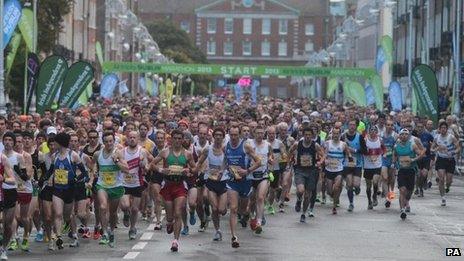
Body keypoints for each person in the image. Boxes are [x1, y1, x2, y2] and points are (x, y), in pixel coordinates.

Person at [150, 129, 196, 252]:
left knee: (178, 213)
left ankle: (175, 241)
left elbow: (194, 168)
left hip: (180, 185)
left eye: (179, 138)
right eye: (174, 138)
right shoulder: (165, 152)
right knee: (170, 217)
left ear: (182, 140)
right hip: (167, 185)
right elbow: (152, 164)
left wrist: (188, 171)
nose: (177, 141)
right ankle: (169, 223)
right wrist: (161, 170)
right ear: (171, 139)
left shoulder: (187, 154)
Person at [49, 132, 88, 249]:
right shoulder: (54, 156)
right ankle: (58, 237)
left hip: (70, 190)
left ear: (60, 143)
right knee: (58, 213)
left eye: (55, 142)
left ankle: (72, 232)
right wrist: (42, 181)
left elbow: (84, 173)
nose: (53, 144)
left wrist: (76, 179)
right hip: (57, 189)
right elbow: (49, 172)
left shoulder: (73, 155)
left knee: (67, 216)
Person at [224, 126, 260, 248]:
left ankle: (246, 215)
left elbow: (258, 161)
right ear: (229, 134)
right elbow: (225, 162)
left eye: (235, 135)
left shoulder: (246, 146)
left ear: (239, 135)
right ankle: (234, 237)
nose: (233, 137)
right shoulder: (226, 146)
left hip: (245, 181)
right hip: (232, 181)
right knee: (233, 208)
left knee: (243, 209)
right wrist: (222, 171)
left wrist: (247, 171)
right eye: (231, 135)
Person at [93, 131, 128, 248]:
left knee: (113, 213)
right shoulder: (98, 154)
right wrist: (93, 171)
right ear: (103, 142)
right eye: (106, 141)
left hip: (116, 187)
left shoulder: (118, 153)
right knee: (102, 207)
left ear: (114, 141)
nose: (109, 144)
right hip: (102, 185)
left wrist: (116, 161)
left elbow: (126, 169)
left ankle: (111, 231)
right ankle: (104, 233)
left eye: (111, 141)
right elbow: (92, 164)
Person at [196, 128, 227, 241]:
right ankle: (217, 231)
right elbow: (199, 162)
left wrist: (223, 171)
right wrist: (193, 170)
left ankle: (223, 210)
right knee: (214, 208)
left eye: (220, 135)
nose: (218, 137)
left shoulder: (226, 149)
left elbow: (230, 162)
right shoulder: (208, 149)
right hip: (210, 182)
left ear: (223, 137)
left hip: (223, 182)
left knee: (222, 210)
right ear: (213, 136)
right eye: (216, 135)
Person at [288, 127, 324, 222]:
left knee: (308, 195)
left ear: (312, 136)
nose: (307, 137)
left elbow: (323, 155)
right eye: (306, 135)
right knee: (300, 190)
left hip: (311, 171)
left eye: (309, 135)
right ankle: (299, 199)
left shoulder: (315, 145)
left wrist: (320, 162)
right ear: (303, 135)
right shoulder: (297, 144)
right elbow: (290, 151)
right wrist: (290, 161)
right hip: (300, 170)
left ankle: (303, 213)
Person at [120, 131, 151, 240]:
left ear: (138, 139)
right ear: (127, 139)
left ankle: (132, 228)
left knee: (134, 209)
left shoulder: (142, 151)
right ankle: (125, 213)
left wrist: (144, 164)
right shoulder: (122, 151)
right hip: (124, 183)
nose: (132, 139)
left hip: (137, 182)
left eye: (134, 137)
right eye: (130, 137)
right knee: (125, 205)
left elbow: (148, 165)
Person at [392, 129, 424, 220]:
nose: (404, 136)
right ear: (400, 136)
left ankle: (406, 201)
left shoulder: (412, 145)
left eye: (406, 134)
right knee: (402, 190)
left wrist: (414, 159)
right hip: (401, 170)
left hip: (411, 170)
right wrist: (393, 163)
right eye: (402, 134)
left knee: (409, 191)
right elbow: (394, 155)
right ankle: (402, 210)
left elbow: (421, 154)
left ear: (408, 136)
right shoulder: (396, 146)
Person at [247, 125, 272, 233]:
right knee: (252, 199)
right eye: (258, 133)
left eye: (262, 133)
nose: (260, 135)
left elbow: (271, 155)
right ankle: (252, 215)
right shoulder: (249, 144)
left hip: (263, 175)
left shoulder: (267, 144)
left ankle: (259, 221)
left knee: (261, 197)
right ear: (254, 133)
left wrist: (270, 159)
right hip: (250, 175)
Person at [431, 122, 461, 206]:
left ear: (447, 129)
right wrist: (437, 148)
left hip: (450, 160)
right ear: (439, 129)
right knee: (441, 179)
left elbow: (458, 147)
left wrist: (454, 152)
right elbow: (431, 149)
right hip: (441, 159)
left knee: (449, 180)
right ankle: (443, 198)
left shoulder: (451, 137)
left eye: (445, 128)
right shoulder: (437, 137)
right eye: (441, 128)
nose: (443, 129)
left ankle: (447, 187)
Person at [323, 128, 350, 215]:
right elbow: (324, 154)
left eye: (337, 134)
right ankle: (334, 197)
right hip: (329, 169)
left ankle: (334, 206)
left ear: (340, 134)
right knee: (330, 191)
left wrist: (349, 159)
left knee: (337, 187)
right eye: (334, 133)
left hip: (339, 169)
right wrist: (325, 160)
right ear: (331, 134)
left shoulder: (343, 144)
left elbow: (348, 154)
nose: (335, 135)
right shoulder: (327, 143)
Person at [341, 120, 365, 211]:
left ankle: (358, 188)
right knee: (349, 184)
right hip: (346, 163)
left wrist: (354, 151)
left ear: (356, 126)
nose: (351, 126)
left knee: (356, 184)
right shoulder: (343, 136)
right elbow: (339, 147)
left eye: (353, 125)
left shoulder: (360, 137)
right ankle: (351, 203)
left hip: (357, 164)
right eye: (350, 124)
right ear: (347, 125)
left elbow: (364, 150)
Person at [0, 143, 18, 260]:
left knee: (7, 226)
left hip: (2, 196)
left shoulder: (2, 158)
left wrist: (4, 179)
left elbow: (13, 180)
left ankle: (3, 248)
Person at [363, 126, 384, 210]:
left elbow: (384, 149)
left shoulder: (380, 140)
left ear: (377, 132)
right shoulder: (365, 140)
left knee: (375, 182)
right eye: (371, 130)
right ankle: (369, 201)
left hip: (377, 165)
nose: (373, 132)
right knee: (368, 186)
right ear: (369, 132)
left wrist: (384, 153)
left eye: (375, 130)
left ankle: (374, 195)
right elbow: (362, 150)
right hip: (368, 166)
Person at [380, 120, 397, 207]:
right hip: (383, 159)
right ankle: (388, 198)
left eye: (391, 125)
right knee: (385, 178)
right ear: (385, 126)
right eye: (388, 125)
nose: (389, 126)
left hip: (392, 159)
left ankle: (391, 192)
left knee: (392, 179)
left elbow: (396, 149)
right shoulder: (381, 135)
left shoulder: (395, 135)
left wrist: (394, 161)